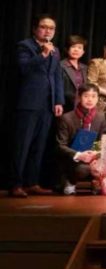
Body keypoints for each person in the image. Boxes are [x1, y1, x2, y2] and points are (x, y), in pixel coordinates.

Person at [12, 14, 64, 197]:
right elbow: (24, 68)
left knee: (39, 145)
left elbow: (56, 76)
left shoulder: (55, 50)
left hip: (47, 105)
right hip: (29, 103)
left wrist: (58, 100)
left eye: (51, 28)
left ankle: (32, 182)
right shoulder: (25, 46)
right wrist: (43, 54)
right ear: (35, 29)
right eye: (44, 27)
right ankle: (16, 184)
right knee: (22, 145)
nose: (48, 31)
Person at [56, 84, 106, 195]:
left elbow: (101, 138)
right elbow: (60, 145)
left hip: (92, 156)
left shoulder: (100, 117)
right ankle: (70, 181)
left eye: (93, 96)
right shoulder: (67, 118)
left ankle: (97, 181)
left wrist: (96, 153)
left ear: (98, 98)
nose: (90, 100)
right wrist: (79, 155)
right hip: (74, 158)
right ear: (79, 97)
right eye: (86, 96)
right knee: (83, 169)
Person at [59, 35, 88, 112]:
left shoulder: (85, 68)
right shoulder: (60, 66)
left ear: (83, 52)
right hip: (65, 105)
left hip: (82, 106)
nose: (76, 50)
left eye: (79, 48)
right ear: (67, 49)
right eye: (73, 47)